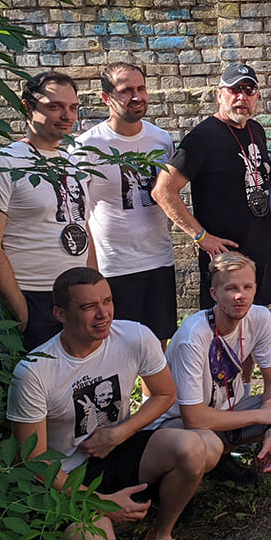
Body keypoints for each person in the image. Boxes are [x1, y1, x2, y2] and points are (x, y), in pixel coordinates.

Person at [7, 268, 220, 540]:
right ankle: (96, 515)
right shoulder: (34, 372)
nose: (103, 313)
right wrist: (101, 502)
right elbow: (33, 461)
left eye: (107, 301)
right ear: (60, 314)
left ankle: (160, 538)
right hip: (66, 475)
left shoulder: (135, 336)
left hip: (118, 450)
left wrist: (120, 433)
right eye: (88, 306)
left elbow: (164, 394)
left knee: (200, 447)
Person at [154, 252, 271, 485]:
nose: (240, 296)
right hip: (180, 424)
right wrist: (260, 416)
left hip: (228, 409)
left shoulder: (260, 317)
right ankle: (210, 461)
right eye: (231, 289)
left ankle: (223, 454)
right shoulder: (193, 336)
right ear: (214, 294)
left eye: (247, 287)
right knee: (208, 443)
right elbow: (193, 418)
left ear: (255, 289)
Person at [0, 71, 96, 351]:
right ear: (27, 107)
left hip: (74, 298)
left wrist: (95, 288)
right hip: (27, 296)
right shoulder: (1, 165)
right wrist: (20, 310)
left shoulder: (73, 165)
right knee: (19, 378)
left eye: (73, 107)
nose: (66, 115)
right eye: (55, 106)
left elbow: (84, 228)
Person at [153, 63, 271, 307]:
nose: (242, 96)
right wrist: (200, 236)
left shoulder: (255, 129)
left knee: (258, 326)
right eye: (235, 90)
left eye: (249, 90)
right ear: (219, 95)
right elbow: (163, 190)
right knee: (224, 328)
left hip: (259, 258)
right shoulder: (202, 137)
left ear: (257, 97)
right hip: (226, 263)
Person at [72, 62, 176, 344]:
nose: (137, 96)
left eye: (141, 88)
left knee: (157, 345)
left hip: (158, 260)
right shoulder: (86, 147)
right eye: (126, 90)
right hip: (113, 266)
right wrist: (91, 270)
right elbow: (78, 214)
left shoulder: (161, 140)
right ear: (106, 98)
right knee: (113, 347)